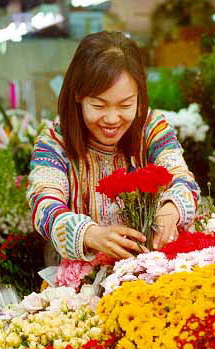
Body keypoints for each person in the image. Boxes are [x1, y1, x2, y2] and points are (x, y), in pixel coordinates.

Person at [28, 31, 200, 261]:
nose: (111, 119)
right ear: (78, 95)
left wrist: (172, 209)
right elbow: (44, 204)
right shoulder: (54, 142)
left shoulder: (151, 128)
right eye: (99, 105)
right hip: (78, 286)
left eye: (125, 105)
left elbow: (182, 178)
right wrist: (89, 234)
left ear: (139, 96)